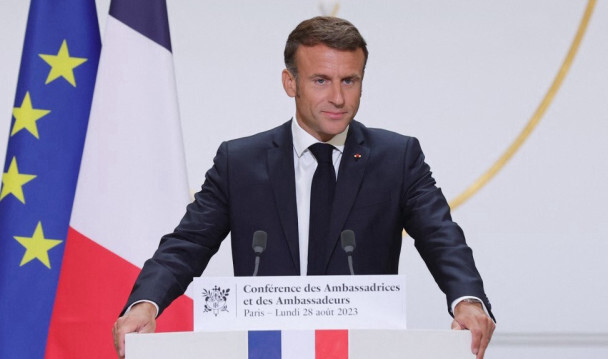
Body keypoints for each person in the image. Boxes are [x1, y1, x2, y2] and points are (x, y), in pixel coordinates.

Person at [113, 16, 495, 359]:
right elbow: (187, 244)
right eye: (321, 81)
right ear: (290, 82)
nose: (338, 98)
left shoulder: (397, 157)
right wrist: (145, 303)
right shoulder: (239, 162)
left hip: (362, 350)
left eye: (350, 80)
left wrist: (468, 299)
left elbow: (441, 236)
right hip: (265, 349)